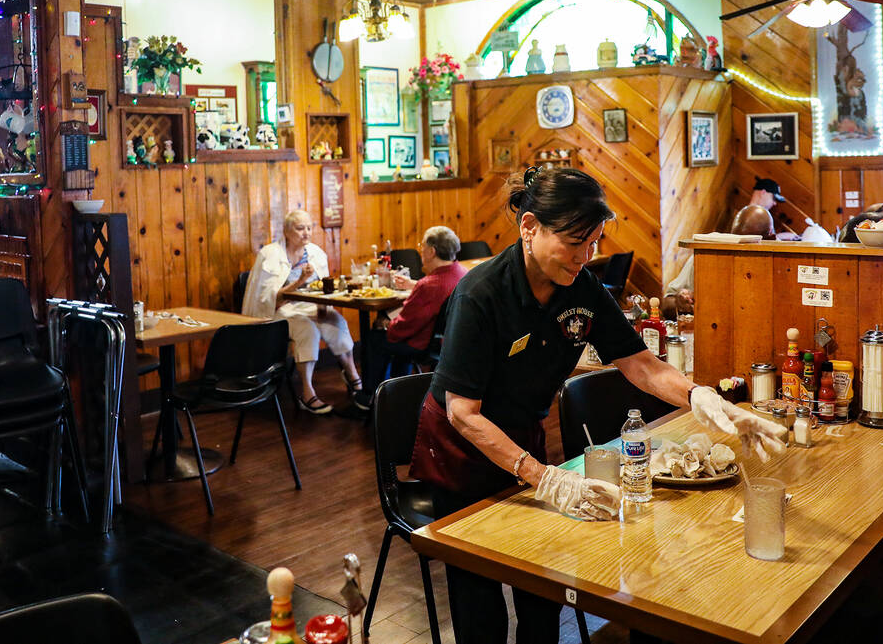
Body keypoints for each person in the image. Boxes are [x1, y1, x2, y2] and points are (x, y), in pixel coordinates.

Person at [409, 166, 785, 644]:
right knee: (480, 603)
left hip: (521, 437)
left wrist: (700, 396)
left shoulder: (581, 287)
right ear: (529, 228)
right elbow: (463, 411)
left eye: (594, 243)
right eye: (573, 243)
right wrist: (542, 476)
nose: (585, 257)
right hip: (461, 455)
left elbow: (641, 366)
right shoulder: (480, 295)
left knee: (540, 590)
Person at [242, 209, 363, 414]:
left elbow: (323, 288)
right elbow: (270, 300)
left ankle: (353, 377)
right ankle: (307, 393)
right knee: (306, 329)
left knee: (336, 322)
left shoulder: (315, 253)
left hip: (310, 306)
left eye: (309, 227)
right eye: (300, 228)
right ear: (287, 231)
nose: (306, 233)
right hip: (280, 311)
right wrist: (299, 281)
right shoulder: (270, 255)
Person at [355, 225, 467, 410]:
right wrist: (414, 285)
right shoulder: (462, 274)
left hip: (426, 346)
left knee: (375, 338)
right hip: (451, 343)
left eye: (422, 246)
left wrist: (386, 324)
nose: (420, 250)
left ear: (431, 251)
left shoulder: (428, 285)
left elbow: (401, 329)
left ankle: (369, 397)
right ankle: (401, 392)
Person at [663, 204, 776, 318]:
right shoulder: (703, 259)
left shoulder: (782, 267)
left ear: (771, 239)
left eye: (750, 243)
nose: (740, 251)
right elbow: (666, 305)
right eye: (736, 240)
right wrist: (679, 303)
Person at [748, 176, 800, 241]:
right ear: (763, 192)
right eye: (774, 198)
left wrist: (779, 236)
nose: (775, 203)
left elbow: (763, 240)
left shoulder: (754, 215)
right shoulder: (753, 217)